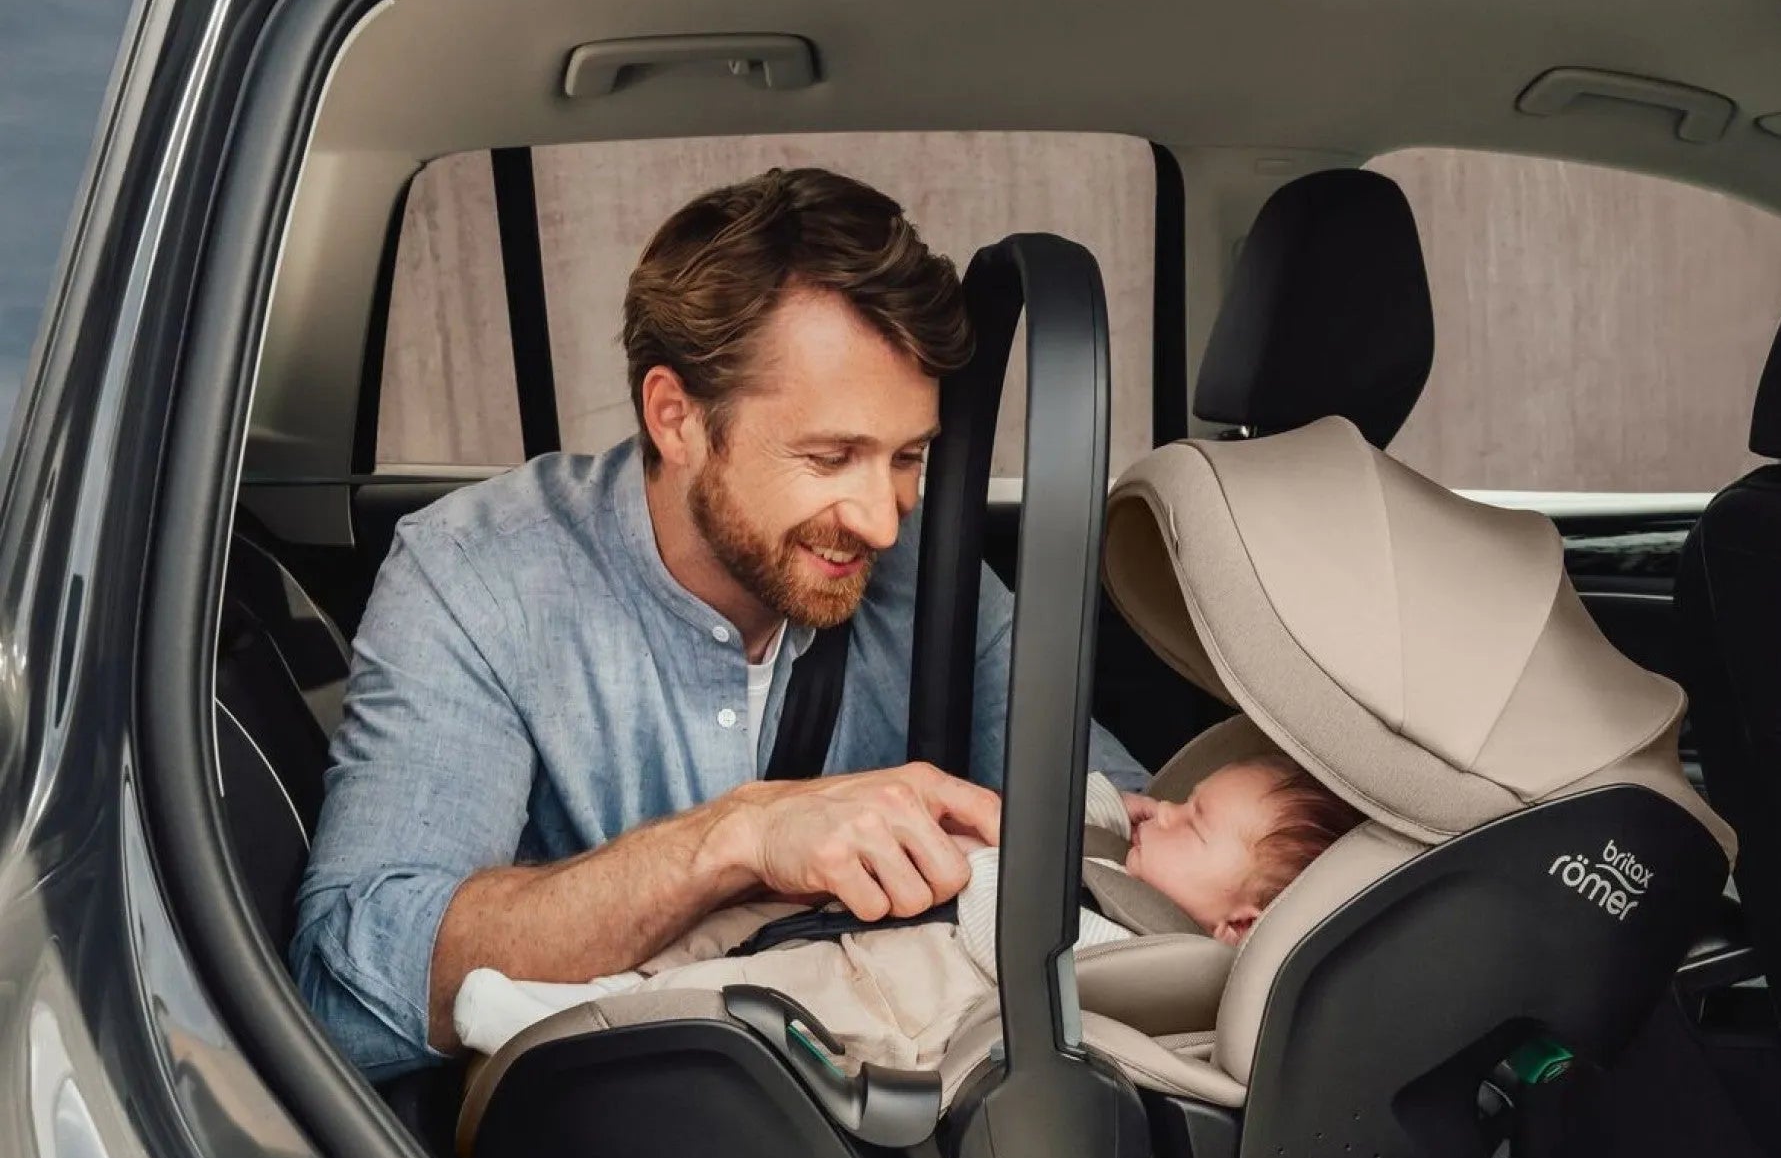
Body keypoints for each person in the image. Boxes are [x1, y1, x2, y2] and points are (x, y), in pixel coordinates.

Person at [291, 167, 1145, 1079]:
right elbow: (350, 994)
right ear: (677, 418)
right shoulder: (480, 575)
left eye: (908, 457)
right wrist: (734, 838)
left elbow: (1118, 834)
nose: (884, 520)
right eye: (829, 456)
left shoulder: (925, 568)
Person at [453, 755, 1360, 1064]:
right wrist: (1104, 816)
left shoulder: (1150, 959)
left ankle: (567, 1023)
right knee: (725, 926)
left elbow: (1016, 929)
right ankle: (600, 981)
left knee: (742, 989)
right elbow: (1080, 807)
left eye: (1191, 822)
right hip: (875, 944)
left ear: (1236, 928)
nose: (1160, 809)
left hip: (893, 1001)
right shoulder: (1143, 876)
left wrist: (1014, 849)